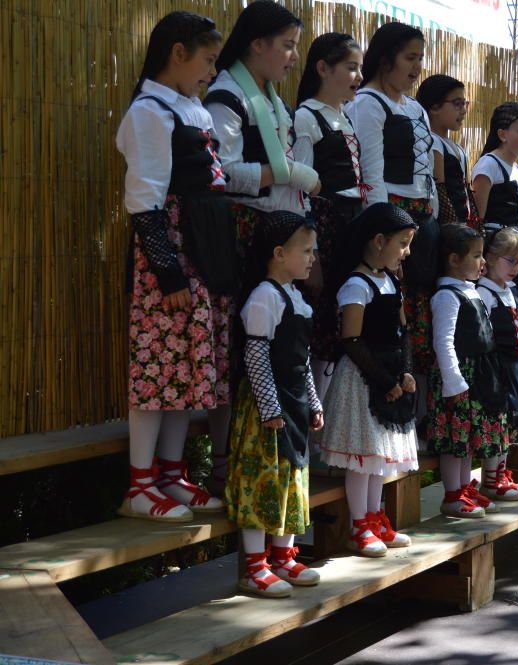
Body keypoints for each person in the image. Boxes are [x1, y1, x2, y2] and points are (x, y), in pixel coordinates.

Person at [115, 11, 229, 522]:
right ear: (177, 53)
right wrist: (168, 272)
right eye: (206, 60)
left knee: (186, 366)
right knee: (155, 367)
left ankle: (170, 473)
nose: (211, 71)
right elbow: (144, 201)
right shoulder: (149, 113)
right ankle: (140, 486)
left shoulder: (188, 107)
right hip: (170, 251)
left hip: (198, 248)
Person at [205, 0, 318, 491]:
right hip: (244, 233)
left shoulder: (271, 98)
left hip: (276, 229)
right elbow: (222, 173)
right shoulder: (227, 96)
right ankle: (226, 461)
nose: (293, 57)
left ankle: (272, 449)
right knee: (241, 345)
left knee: (281, 344)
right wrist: (283, 173)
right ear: (257, 44)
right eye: (288, 45)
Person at [227, 211, 324, 598]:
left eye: (313, 250)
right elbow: (256, 356)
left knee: (291, 479)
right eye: (306, 250)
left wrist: (313, 402)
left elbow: (302, 362)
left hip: (294, 404)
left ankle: (284, 556)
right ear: (279, 253)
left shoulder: (297, 299)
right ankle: (254, 566)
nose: (312, 258)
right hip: (269, 411)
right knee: (262, 481)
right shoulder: (264, 297)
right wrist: (269, 408)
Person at [317, 204, 420, 557]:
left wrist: (405, 371)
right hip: (363, 380)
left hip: (389, 377)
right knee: (363, 458)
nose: (406, 252)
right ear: (379, 240)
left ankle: (376, 518)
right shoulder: (355, 285)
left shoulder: (390, 279)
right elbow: (352, 340)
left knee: (382, 457)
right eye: (403, 244)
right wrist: (382, 380)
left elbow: (403, 331)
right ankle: (358, 525)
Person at [348, 22, 438, 375]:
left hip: (420, 219)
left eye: (420, 58)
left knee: (421, 314)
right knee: (392, 312)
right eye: (410, 58)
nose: (416, 67)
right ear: (386, 59)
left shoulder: (415, 108)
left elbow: (427, 168)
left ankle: (415, 412)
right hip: (391, 215)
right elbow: (371, 172)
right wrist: (386, 230)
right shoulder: (367, 104)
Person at [292, 32, 366, 402]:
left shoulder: (344, 117)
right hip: (325, 225)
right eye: (351, 68)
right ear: (323, 68)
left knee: (343, 322)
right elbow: (300, 189)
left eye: (360, 69)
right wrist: (313, 254)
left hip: (351, 226)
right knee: (320, 324)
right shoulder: (306, 116)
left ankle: (331, 419)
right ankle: (312, 421)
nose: (358, 77)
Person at [427, 225, 509, 518]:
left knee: (468, 440)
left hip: (478, 376)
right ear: (453, 259)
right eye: (476, 256)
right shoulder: (447, 296)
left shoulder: (470, 291)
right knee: (454, 440)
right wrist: (454, 382)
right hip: (459, 378)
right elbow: (443, 340)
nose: (483, 262)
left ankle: (465, 488)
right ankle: (452, 495)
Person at [471, 102, 518, 359]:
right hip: (494, 250)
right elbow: (476, 218)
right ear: (502, 134)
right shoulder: (489, 165)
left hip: (514, 249)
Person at [475, 225, 518, 501]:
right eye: (509, 260)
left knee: (510, 424)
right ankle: (489, 480)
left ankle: (501, 473)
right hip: (497, 367)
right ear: (491, 255)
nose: (515, 268)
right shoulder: (484, 293)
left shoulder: (509, 289)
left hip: (513, 367)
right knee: (497, 423)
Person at [416, 74, 474, 227]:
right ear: (434, 107)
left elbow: (465, 191)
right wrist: (453, 229)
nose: (463, 111)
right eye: (457, 104)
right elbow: (440, 193)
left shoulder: (456, 147)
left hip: (462, 225)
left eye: (464, 104)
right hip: (447, 228)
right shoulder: (432, 142)